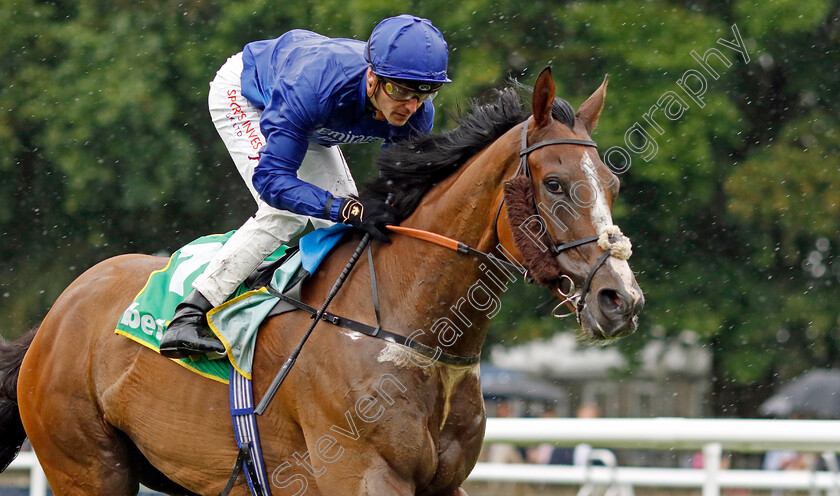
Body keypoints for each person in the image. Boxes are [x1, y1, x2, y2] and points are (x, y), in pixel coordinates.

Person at [159, 15, 451, 358]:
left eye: (425, 93)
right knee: (285, 214)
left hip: (307, 120)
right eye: (400, 91)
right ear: (372, 77)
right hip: (248, 96)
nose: (410, 106)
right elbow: (272, 182)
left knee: (346, 228)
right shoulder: (314, 87)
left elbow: (393, 192)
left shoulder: (417, 112)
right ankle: (189, 315)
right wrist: (347, 208)